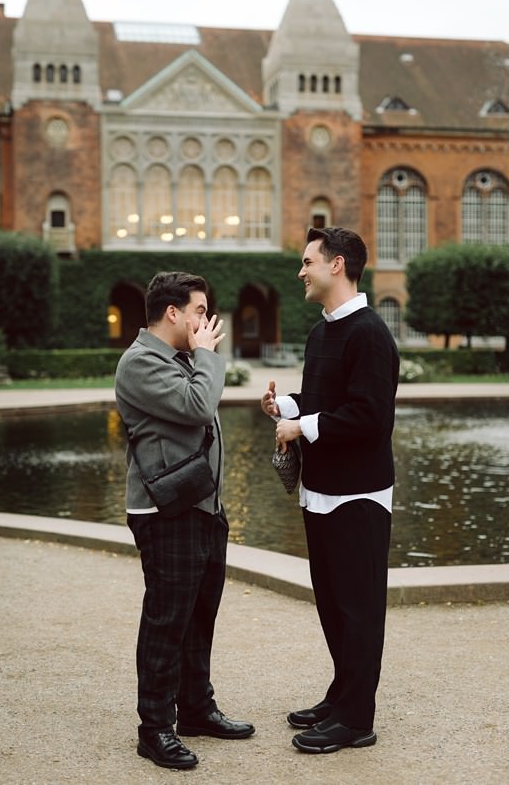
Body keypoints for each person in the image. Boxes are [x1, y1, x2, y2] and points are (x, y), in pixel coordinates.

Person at [262, 226, 399, 754]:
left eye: (307, 261)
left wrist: (304, 428)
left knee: (359, 609)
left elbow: (369, 416)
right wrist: (288, 408)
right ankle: (341, 696)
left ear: (336, 265)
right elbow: (324, 396)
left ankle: (357, 719)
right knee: (333, 605)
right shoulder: (322, 331)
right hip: (319, 491)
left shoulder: (370, 334)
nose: (301, 271)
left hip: (359, 494)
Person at [116, 271, 255, 770]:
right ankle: (154, 728)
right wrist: (208, 355)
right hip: (167, 510)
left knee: (199, 615)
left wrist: (198, 356)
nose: (206, 319)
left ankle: (195, 708)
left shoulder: (178, 358)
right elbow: (199, 405)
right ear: (172, 313)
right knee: (166, 619)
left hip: (203, 507)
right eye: (199, 310)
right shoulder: (139, 363)